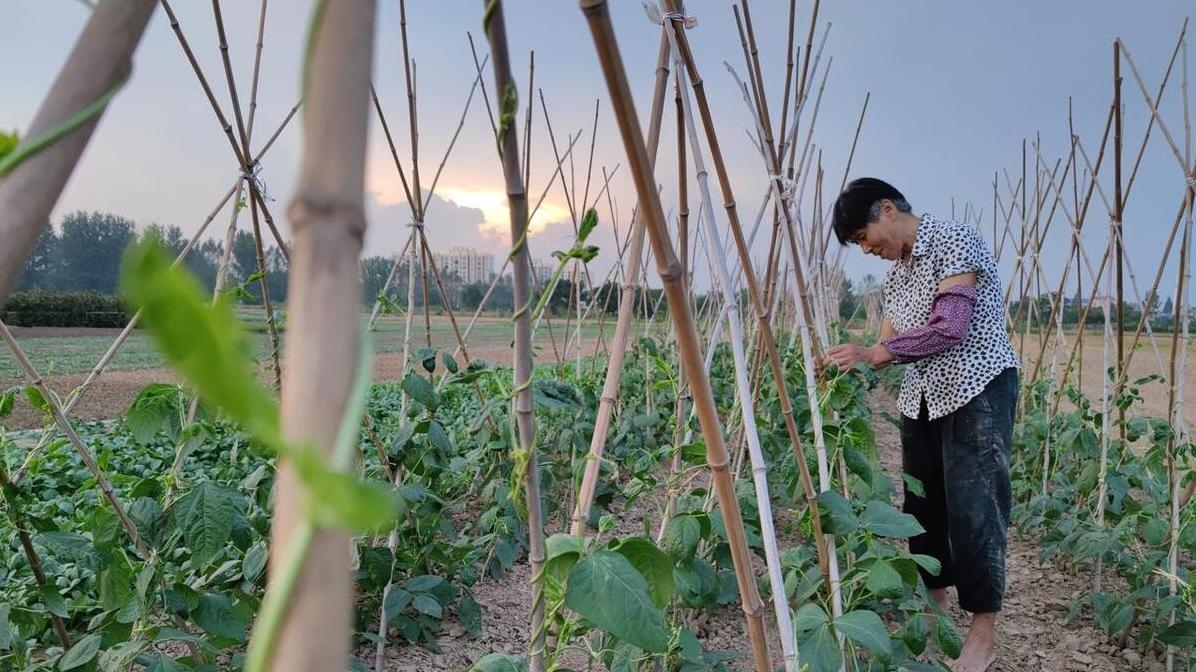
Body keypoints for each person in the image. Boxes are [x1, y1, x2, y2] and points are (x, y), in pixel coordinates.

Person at [821, 178, 1019, 672]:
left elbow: (951, 326)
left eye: (865, 237)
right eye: (860, 247)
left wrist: (875, 352)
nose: (869, 250)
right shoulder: (897, 276)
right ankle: (935, 607)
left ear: (886, 209)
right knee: (924, 505)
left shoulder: (954, 239)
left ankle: (982, 633)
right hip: (924, 398)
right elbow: (885, 347)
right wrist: (848, 364)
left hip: (977, 390)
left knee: (976, 510)